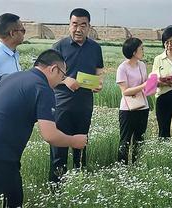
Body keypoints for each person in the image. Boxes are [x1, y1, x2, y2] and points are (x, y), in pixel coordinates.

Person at [0, 49, 87, 207]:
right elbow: (49, 135)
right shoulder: (43, 89)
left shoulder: (9, 76)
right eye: (62, 76)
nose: (60, 81)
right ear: (53, 69)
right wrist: (74, 141)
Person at [49, 8, 104, 183]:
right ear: (69, 25)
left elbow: (99, 71)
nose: (78, 29)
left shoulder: (95, 48)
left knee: (81, 148)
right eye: (75, 24)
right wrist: (66, 80)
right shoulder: (58, 47)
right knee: (59, 150)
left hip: (84, 106)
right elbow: (48, 75)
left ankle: (79, 186)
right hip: (62, 106)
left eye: (83, 25)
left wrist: (99, 83)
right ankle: (56, 190)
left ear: (89, 27)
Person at [116, 37, 149, 165]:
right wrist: (144, 86)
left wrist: (152, 84)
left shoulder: (142, 65)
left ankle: (136, 165)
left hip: (143, 107)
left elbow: (146, 85)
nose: (143, 50)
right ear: (134, 52)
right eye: (141, 48)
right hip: (127, 109)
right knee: (125, 140)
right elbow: (125, 91)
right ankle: (121, 168)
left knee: (139, 140)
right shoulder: (122, 68)